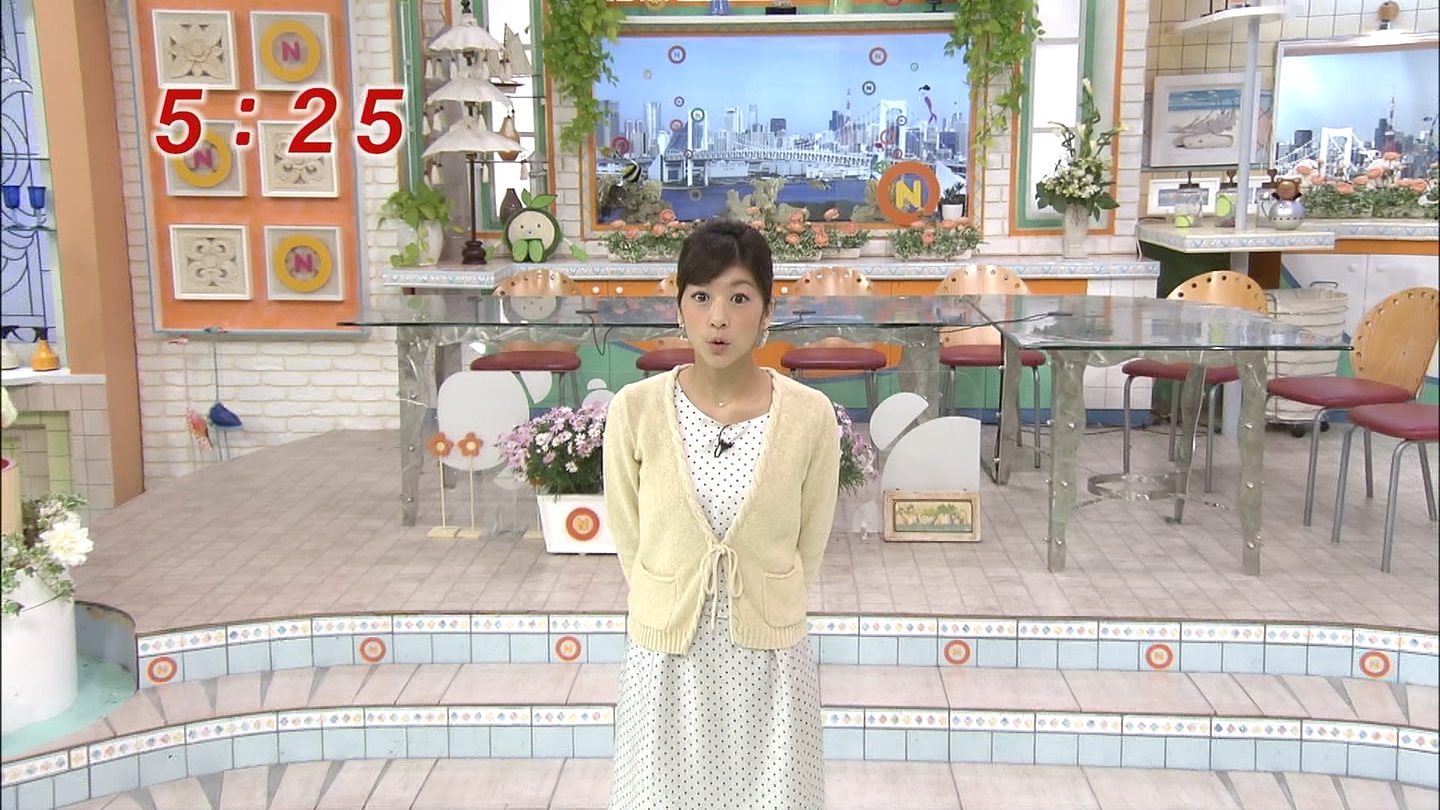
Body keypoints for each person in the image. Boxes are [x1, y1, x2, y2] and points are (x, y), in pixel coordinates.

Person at [603, 219, 842, 809]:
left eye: (739, 298)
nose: (718, 319)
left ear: (766, 312)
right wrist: (666, 598)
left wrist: (774, 602)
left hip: (770, 657)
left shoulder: (810, 415)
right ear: (679, 308)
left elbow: (811, 538)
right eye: (701, 297)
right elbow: (629, 534)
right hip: (667, 654)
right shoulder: (634, 410)